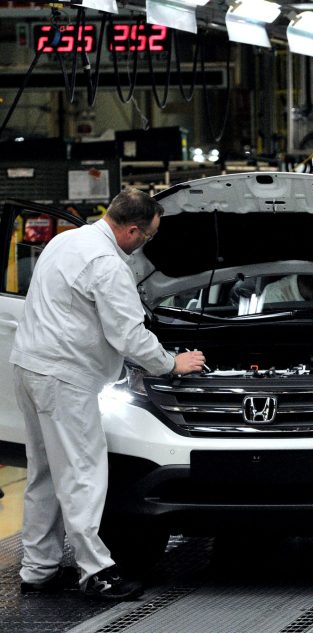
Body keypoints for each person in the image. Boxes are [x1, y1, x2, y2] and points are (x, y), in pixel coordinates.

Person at [10, 189, 207, 600]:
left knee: (44, 472)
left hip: (29, 365)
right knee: (82, 473)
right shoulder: (107, 265)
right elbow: (130, 336)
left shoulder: (67, 239)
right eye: (148, 237)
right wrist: (172, 363)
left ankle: (39, 569)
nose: (146, 245)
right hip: (65, 377)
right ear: (132, 230)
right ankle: (96, 571)